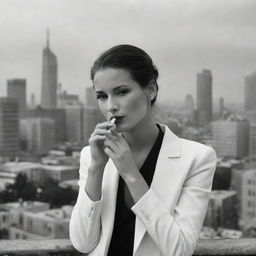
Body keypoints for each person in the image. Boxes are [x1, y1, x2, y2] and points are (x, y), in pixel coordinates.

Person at [69, 44, 217, 256]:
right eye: (102, 96)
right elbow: (82, 243)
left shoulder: (197, 158)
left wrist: (131, 174)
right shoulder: (91, 156)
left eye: (122, 92)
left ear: (151, 90)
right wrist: (96, 168)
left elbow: (180, 250)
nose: (110, 106)